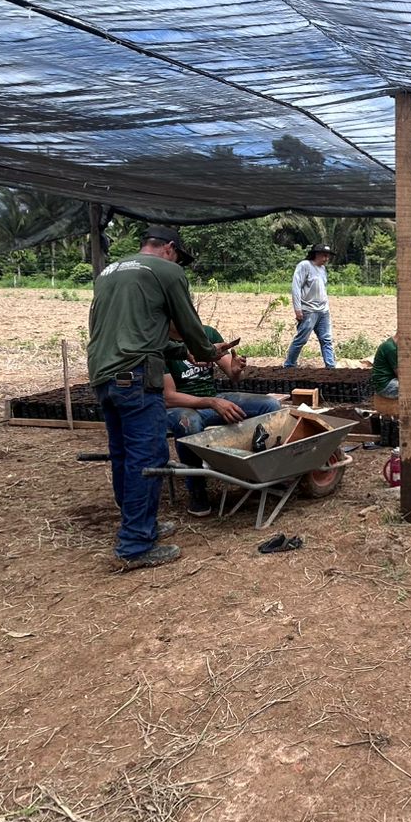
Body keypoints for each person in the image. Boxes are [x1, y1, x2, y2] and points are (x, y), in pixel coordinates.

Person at [87, 225, 228, 570]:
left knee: (123, 454)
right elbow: (189, 322)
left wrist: (181, 352)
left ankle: (139, 525)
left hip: (105, 376)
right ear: (169, 248)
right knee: (147, 458)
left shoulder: (109, 272)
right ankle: (135, 545)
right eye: (178, 255)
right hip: (136, 378)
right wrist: (207, 351)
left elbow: (135, 333)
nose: (178, 261)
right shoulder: (167, 270)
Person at [164, 322, 283, 517]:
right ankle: (197, 489)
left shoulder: (206, 333)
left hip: (211, 397)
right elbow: (169, 397)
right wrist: (213, 402)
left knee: (270, 406)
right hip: (179, 406)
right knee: (189, 424)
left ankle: (257, 472)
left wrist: (236, 370)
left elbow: (233, 373)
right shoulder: (160, 343)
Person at [284, 243, 336, 367]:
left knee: (326, 339)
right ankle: (289, 365)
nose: (326, 259)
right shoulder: (304, 266)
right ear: (316, 254)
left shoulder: (323, 269)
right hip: (309, 310)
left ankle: (330, 366)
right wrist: (297, 309)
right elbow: (296, 287)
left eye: (327, 256)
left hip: (323, 310)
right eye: (324, 255)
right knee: (301, 339)